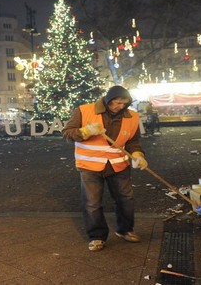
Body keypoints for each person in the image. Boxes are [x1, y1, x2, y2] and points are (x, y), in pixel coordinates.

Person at [62, 86, 148, 252]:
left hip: (118, 165)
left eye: (124, 103)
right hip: (90, 166)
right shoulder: (84, 110)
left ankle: (125, 230)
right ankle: (97, 237)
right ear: (108, 100)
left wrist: (138, 155)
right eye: (117, 103)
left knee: (126, 199)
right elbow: (67, 133)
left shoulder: (132, 116)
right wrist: (85, 131)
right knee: (92, 203)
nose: (120, 107)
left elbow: (132, 141)